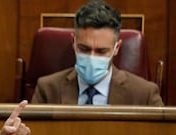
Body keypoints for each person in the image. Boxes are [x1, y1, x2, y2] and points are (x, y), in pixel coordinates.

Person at [31, 0, 163, 106]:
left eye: (101, 51)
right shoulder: (47, 89)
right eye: (84, 48)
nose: (92, 57)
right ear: (73, 42)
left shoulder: (144, 94)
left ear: (116, 48)